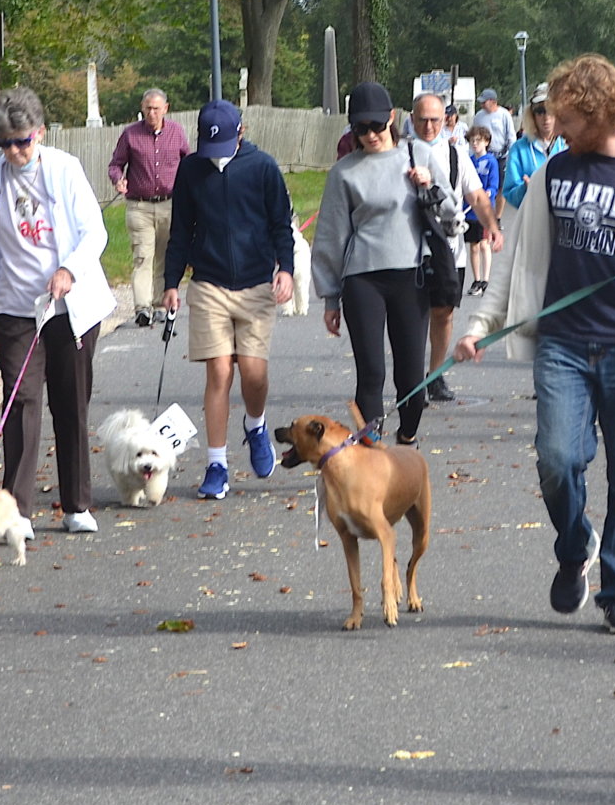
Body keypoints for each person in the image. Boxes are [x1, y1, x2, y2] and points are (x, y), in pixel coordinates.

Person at [456, 54, 615, 635]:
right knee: (557, 461)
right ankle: (576, 544)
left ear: (597, 113)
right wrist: (477, 326)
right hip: (563, 345)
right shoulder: (554, 173)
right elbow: (517, 262)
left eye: (564, 118)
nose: (552, 127)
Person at [0, 86, 114, 534]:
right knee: (21, 405)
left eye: (23, 141)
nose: (15, 151)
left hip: (70, 306)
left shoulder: (64, 169)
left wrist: (69, 270)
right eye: (5, 143)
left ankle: (76, 504)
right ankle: (16, 512)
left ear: (40, 133)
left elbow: (94, 233)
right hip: (16, 310)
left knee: (71, 402)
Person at [160, 100, 294, 501]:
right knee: (219, 372)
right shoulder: (191, 169)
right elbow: (180, 229)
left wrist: (284, 268)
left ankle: (255, 426)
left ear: (242, 132)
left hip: (255, 283)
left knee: (253, 373)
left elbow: (280, 224)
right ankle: (216, 464)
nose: (215, 157)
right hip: (209, 283)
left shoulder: (263, 167)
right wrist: (171, 283)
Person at [312, 84, 433, 445]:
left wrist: (428, 187)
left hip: (411, 275)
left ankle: (408, 433)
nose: (370, 135)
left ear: (392, 119)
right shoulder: (344, 172)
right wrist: (330, 298)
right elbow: (331, 236)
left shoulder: (417, 155)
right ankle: (370, 446)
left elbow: (451, 214)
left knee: (412, 375)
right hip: (362, 277)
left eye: (377, 126)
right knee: (371, 372)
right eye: (361, 129)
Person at [402, 91, 503, 403]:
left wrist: (492, 227)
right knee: (411, 315)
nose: (430, 126)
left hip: (448, 247)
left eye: (436, 119)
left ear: (445, 120)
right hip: (408, 247)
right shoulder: (400, 153)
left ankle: (434, 376)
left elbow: (476, 197)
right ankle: (410, 378)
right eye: (423, 120)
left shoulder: (456, 154)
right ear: (412, 119)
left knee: (443, 312)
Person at [107, 88, 188, 326]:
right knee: (143, 256)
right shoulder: (130, 135)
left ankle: (160, 304)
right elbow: (115, 164)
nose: (151, 113)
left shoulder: (176, 132)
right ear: (142, 109)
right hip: (139, 206)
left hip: (169, 204)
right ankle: (142, 307)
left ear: (166, 108)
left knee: (164, 255)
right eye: (148, 108)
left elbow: (188, 161)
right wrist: (117, 179)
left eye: (156, 108)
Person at [501, 96, 565, 209]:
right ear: (532, 116)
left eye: (551, 111)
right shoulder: (519, 148)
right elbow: (510, 194)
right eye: (540, 112)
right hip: (533, 215)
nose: (546, 118)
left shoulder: (568, 144)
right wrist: (525, 189)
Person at [464, 124, 501, 294]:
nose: (475, 144)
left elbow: (494, 184)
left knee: (485, 244)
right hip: (470, 210)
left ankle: (485, 280)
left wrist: (489, 191)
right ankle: (476, 279)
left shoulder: (491, 161)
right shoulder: (468, 161)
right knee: (473, 246)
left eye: (478, 141)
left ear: (486, 142)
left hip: (484, 210)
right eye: (472, 141)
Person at [470, 88, 516, 157]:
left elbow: (511, 136)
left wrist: (511, 153)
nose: (482, 105)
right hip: (484, 154)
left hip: (501, 154)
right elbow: (473, 134)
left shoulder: (504, 114)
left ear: (492, 101)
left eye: (484, 102)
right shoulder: (478, 116)